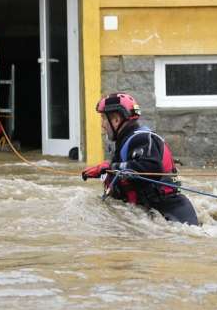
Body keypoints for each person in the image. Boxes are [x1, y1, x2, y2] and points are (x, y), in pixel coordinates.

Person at [81, 93, 199, 226]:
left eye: (104, 118)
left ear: (116, 119)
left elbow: (151, 166)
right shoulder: (126, 141)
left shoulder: (141, 138)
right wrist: (109, 168)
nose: (102, 125)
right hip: (150, 214)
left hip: (172, 212)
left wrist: (112, 167)